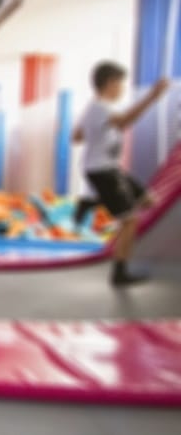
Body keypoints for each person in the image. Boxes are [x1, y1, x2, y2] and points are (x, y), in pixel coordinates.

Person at [72, 63, 170, 285]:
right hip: (102, 170)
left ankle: (93, 202)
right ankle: (119, 273)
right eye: (120, 83)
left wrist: (94, 133)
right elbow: (125, 122)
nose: (123, 89)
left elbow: (76, 136)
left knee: (148, 201)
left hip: (109, 169)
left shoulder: (96, 108)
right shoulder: (100, 107)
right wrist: (153, 96)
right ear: (110, 83)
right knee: (130, 221)